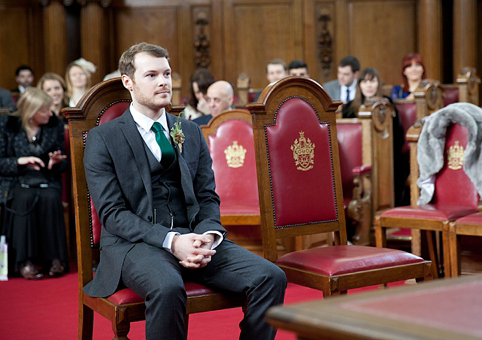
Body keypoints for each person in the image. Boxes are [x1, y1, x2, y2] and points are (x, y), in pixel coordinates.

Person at [83, 42, 286, 340]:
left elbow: (207, 196)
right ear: (128, 82)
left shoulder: (188, 131)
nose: (163, 81)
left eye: (166, 73)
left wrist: (208, 236)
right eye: (151, 75)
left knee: (270, 277)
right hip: (134, 245)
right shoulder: (103, 139)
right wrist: (172, 241)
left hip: (194, 236)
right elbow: (113, 215)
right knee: (167, 287)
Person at [0, 88, 69, 280]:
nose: (50, 113)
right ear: (31, 111)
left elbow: (64, 162)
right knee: (23, 197)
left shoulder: (53, 124)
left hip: (46, 177)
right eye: (45, 110)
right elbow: (1, 162)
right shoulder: (8, 125)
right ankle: (23, 261)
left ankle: (55, 259)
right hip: (16, 179)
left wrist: (55, 162)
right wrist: (19, 162)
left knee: (50, 197)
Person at [342, 67, 407, 207]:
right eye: (364, 82)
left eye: (372, 81)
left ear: (378, 84)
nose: (369, 86)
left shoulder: (387, 104)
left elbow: (398, 137)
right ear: (359, 85)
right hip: (358, 156)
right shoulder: (349, 108)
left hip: (386, 156)